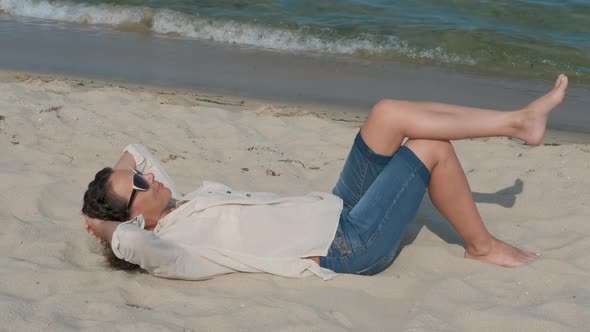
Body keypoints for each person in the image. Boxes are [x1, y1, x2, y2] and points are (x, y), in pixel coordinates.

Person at [82, 74, 568, 280]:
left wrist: (117, 187)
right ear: (134, 223)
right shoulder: (174, 250)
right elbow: (128, 242)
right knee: (431, 148)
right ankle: (481, 247)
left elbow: (135, 151)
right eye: (138, 188)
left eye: (141, 177)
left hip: (334, 206)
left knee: (387, 113)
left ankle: (515, 121)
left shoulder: (174, 203)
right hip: (348, 247)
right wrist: (99, 222)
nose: (147, 178)